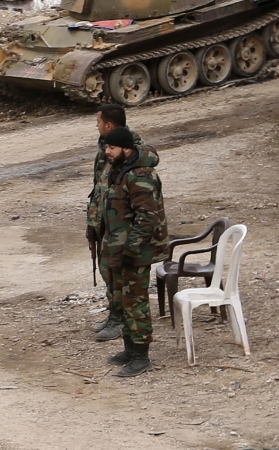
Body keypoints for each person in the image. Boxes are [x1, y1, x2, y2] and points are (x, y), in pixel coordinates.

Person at [98, 126, 168, 377]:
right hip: (118, 250)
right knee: (121, 300)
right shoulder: (120, 170)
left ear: (126, 149)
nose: (107, 152)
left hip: (134, 252)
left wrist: (131, 249)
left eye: (112, 148)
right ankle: (129, 349)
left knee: (135, 302)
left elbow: (147, 217)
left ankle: (141, 357)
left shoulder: (140, 175)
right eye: (106, 147)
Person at [86, 104, 142, 342]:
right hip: (105, 220)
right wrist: (93, 221)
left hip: (120, 223)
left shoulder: (128, 148)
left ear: (108, 125)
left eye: (98, 122)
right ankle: (114, 314)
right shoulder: (106, 149)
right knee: (107, 270)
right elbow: (99, 186)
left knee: (118, 273)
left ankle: (121, 320)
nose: (96, 126)